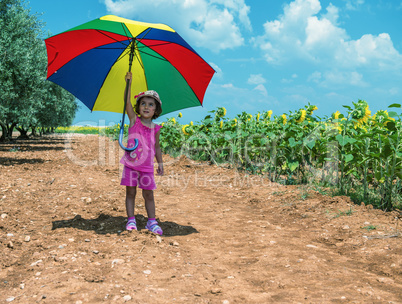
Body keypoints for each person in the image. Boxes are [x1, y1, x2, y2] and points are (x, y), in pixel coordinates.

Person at [120, 72, 164, 235]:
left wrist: (160, 163)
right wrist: (128, 84)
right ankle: (131, 219)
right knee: (130, 192)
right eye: (143, 103)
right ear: (138, 107)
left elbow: (157, 147)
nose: (146, 107)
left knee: (148, 194)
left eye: (151, 104)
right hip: (131, 165)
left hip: (146, 167)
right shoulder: (133, 121)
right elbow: (126, 103)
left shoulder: (156, 128)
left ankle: (151, 221)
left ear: (156, 109)